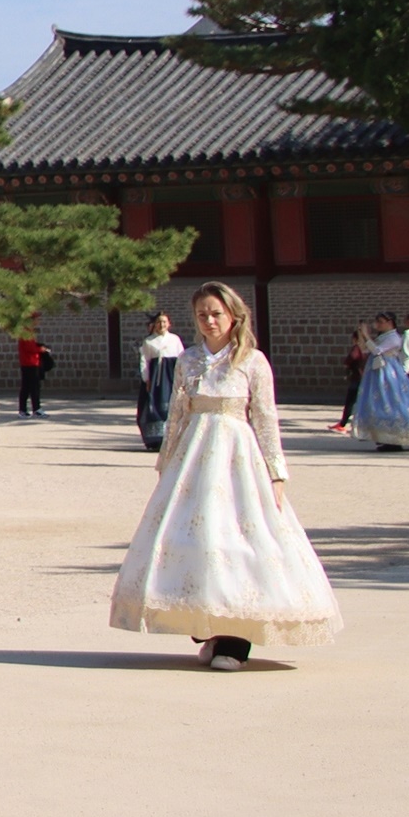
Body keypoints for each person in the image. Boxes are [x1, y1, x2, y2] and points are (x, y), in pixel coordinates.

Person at [110, 282, 342, 670]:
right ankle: (210, 628)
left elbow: (265, 418)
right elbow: (178, 414)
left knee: (241, 541)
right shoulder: (188, 360)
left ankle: (235, 642)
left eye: (216, 313)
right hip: (194, 457)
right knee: (195, 539)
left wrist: (276, 472)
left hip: (238, 457)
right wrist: (167, 462)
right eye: (202, 314)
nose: (210, 321)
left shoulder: (252, 361)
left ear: (233, 315)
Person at [350, 317, 409, 450]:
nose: (377, 325)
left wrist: (367, 336)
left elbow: (377, 350)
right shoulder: (382, 337)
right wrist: (362, 335)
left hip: (389, 373)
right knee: (378, 404)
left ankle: (395, 440)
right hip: (376, 373)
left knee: (392, 402)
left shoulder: (393, 338)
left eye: (380, 322)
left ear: (390, 323)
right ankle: (383, 437)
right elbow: (366, 350)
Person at [135, 311, 183, 452]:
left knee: (171, 406)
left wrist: (181, 378)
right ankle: (155, 440)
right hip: (155, 379)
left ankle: (172, 439)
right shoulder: (149, 341)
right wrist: (147, 379)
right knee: (153, 406)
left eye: (164, 322)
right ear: (154, 325)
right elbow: (144, 361)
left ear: (169, 324)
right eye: (159, 322)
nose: (161, 324)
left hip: (170, 377)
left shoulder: (174, 340)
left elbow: (182, 359)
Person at [332, 323, 369, 435]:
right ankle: (345, 423)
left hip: (356, 378)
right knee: (359, 402)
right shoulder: (367, 348)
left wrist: (347, 365)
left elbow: (352, 357)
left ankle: (344, 424)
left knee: (350, 402)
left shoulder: (357, 348)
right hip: (364, 378)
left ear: (354, 338)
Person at [15, 328, 53, 417]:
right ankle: (36, 409)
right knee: (34, 387)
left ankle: (23, 409)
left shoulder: (28, 333)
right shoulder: (26, 334)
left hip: (29, 364)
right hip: (30, 364)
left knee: (27, 387)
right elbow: (30, 348)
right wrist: (41, 349)